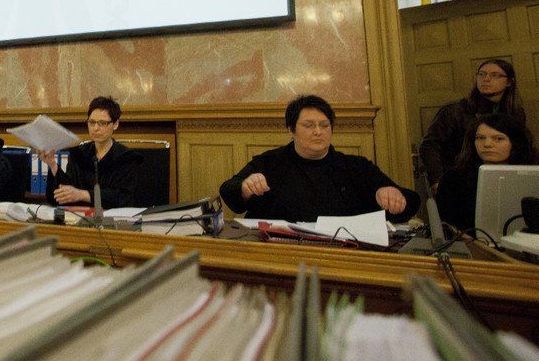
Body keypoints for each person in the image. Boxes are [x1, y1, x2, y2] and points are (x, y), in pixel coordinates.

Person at [219, 95, 420, 223]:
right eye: (309, 125)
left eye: (324, 126)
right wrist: (245, 188)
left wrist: (394, 196)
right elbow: (229, 191)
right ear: (291, 130)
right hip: (280, 254)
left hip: (340, 256)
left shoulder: (355, 167)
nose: (318, 132)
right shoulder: (270, 162)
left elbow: (411, 202)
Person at [420, 59, 526, 195]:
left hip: (504, 178)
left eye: (494, 75)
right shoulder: (455, 111)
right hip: (461, 180)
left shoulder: (516, 112)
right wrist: (437, 180)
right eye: (482, 74)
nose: (486, 79)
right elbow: (429, 145)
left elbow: (520, 146)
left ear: (509, 82)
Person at [435, 114, 539, 232]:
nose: (487, 144)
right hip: (471, 241)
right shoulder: (454, 178)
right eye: (480, 138)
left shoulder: (533, 173)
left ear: (515, 143)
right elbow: (446, 224)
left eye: (498, 139)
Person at [39, 96, 142, 208]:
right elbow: (64, 194)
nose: (95, 128)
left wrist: (83, 195)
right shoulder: (79, 154)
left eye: (102, 123)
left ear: (115, 124)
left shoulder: (127, 158)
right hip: (80, 216)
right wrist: (53, 165)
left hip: (113, 217)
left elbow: (123, 197)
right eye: (92, 122)